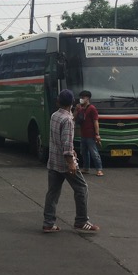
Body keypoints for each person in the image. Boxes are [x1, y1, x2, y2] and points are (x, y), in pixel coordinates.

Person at [42, 89, 99, 234]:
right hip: (65, 163)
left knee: (53, 192)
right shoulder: (67, 120)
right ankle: (81, 220)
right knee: (82, 188)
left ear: (58, 102)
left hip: (53, 160)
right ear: (72, 103)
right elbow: (66, 144)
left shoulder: (54, 116)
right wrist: (71, 162)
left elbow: (58, 140)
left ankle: (48, 223)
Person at [75, 90, 103, 176]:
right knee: (84, 152)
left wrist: (97, 134)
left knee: (94, 153)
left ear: (87, 98)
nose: (81, 99)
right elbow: (74, 118)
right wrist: (76, 110)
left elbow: (95, 122)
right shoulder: (80, 108)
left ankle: (99, 169)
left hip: (90, 135)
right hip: (83, 134)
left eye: (83, 97)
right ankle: (86, 168)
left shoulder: (92, 108)